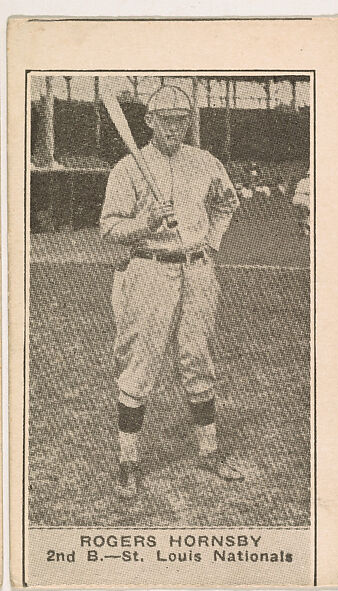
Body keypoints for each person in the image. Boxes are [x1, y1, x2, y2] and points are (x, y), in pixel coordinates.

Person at [100, 85, 243, 497]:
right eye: (166, 118)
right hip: (148, 270)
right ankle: (128, 461)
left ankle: (210, 451)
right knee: (140, 363)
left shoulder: (205, 162)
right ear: (148, 121)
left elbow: (226, 203)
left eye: (182, 118)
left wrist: (212, 242)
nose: (174, 126)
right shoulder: (128, 168)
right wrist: (144, 224)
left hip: (197, 270)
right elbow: (109, 226)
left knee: (198, 357)